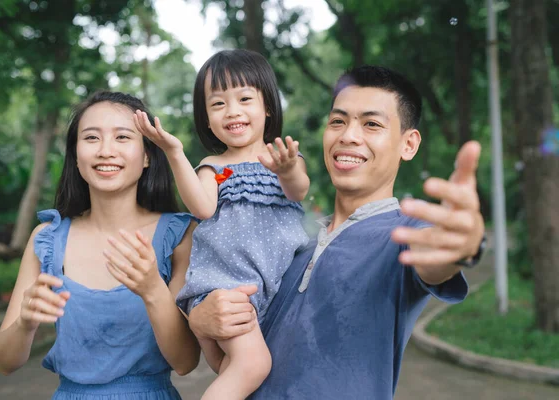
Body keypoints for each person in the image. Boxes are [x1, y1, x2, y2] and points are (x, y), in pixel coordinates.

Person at [188, 65, 487, 399]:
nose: (348, 136)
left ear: (408, 144)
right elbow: (237, 359)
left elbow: (436, 258)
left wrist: (463, 243)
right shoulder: (289, 244)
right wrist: (200, 319)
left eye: (372, 124)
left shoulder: (407, 234)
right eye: (338, 121)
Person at [0, 91, 200, 400]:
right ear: (76, 156)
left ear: (146, 155)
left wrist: (153, 289)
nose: (105, 151)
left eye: (122, 137)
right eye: (91, 138)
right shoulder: (47, 238)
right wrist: (25, 322)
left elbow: (186, 362)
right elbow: (4, 363)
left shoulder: (180, 234)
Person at [133, 49, 310, 399]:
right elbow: (201, 206)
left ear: (267, 107)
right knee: (254, 365)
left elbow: (297, 190)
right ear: (207, 119)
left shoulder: (281, 160)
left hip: (268, 292)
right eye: (218, 104)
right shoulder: (218, 167)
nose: (233, 111)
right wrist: (174, 153)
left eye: (245, 98)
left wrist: (288, 170)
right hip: (224, 288)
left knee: (235, 374)